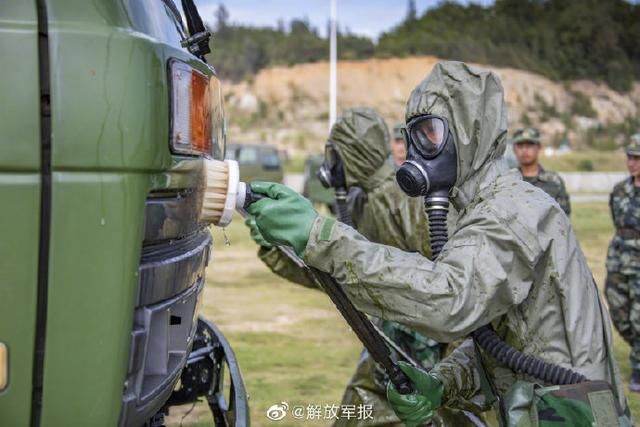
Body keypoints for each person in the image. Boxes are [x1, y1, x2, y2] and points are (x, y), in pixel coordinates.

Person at [246, 62, 629, 426]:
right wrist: (445, 382)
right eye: (411, 137)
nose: (417, 152)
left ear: (469, 132)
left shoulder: (512, 212)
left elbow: (450, 301)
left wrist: (320, 236)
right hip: (538, 408)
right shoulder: (479, 210)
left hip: (570, 413)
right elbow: (500, 339)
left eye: (431, 134)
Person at [249, 107, 472, 426]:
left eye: (336, 154)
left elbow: (460, 293)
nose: (331, 165)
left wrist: (450, 372)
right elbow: (338, 275)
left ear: (355, 153)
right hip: (392, 352)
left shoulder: (412, 203)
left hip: (434, 360)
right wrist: (279, 247)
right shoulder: (360, 203)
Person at [605, 134, 640, 393]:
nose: (632, 163)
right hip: (619, 259)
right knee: (618, 310)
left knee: (639, 317)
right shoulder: (619, 190)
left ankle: (638, 367)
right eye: (630, 157)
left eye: (637, 158)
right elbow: (617, 222)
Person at [512, 127, 571, 216]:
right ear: (514, 150)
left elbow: (563, 218)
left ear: (539, 147)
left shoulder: (554, 181)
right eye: (520, 146)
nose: (524, 150)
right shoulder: (508, 181)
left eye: (529, 145)